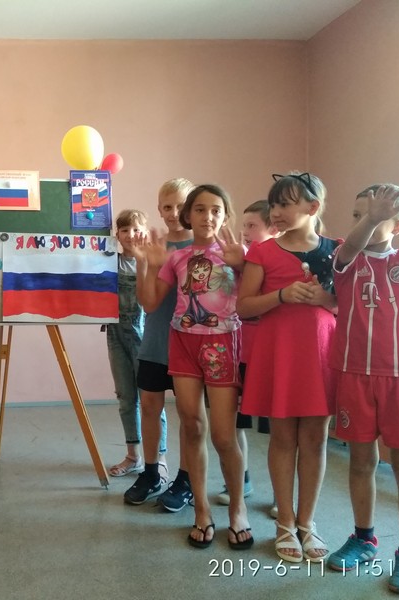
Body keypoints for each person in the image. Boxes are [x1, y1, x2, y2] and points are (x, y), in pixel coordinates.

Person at [136, 184, 252, 550]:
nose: (208, 216)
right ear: (189, 215)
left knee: (223, 435)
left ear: (225, 215)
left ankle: (238, 509)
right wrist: (149, 265)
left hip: (222, 344)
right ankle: (201, 510)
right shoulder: (178, 257)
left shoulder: (238, 254)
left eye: (216, 210)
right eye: (200, 209)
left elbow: (252, 300)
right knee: (192, 425)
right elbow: (150, 304)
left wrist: (241, 264)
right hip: (183, 344)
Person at [237, 172, 338, 563]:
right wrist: (280, 295)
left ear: (312, 207)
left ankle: (307, 523)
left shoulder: (337, 250)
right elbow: (244, 306)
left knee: (315, 439)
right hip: (280, 353)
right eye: (274, 204)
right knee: (282, 438)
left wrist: (326, 299)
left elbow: (347, 303)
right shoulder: (262, 252)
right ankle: (284, 524)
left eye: (285, 204)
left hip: (322, 354)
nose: (276, 212)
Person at [324, 184, 399, 595]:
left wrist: (381, 217)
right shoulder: (345, 258)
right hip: (354, 374)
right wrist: (372, 219)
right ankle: (364, 538)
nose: (365, 220)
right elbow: (350, 247)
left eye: (378, 214)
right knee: (361, 461)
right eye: (358, 214)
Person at [123, 179, 193, 509]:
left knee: (189, 414)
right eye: (167, 206)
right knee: (149, 407)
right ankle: (151, 473)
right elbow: (146, 301)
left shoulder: (202, 245)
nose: (174, 212)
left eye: (181, 205)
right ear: (159, 210)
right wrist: (143, 262)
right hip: (155, 340)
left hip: (190, 345)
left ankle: (186, 479)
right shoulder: (155, 245)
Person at [215, 200, 278, 515]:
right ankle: (240, 481)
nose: (245, 232)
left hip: (268, 355)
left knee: (278, 430)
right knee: (234, 423)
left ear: (273, 229)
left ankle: (282, 495)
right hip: (237, 351)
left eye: (252, 226)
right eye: (244, 226)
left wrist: (243, 265)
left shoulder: (277, 261)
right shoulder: (237, 256)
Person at [105, 209, 166, 479]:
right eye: (125, 230)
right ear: (117, 235)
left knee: (151, 400)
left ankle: (160, 457)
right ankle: (133, 456)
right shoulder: (109, 261)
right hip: (115, 336)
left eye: (136, 229)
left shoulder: (153, 262)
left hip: (145, 337)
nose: (131, 235)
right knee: (125, 397)